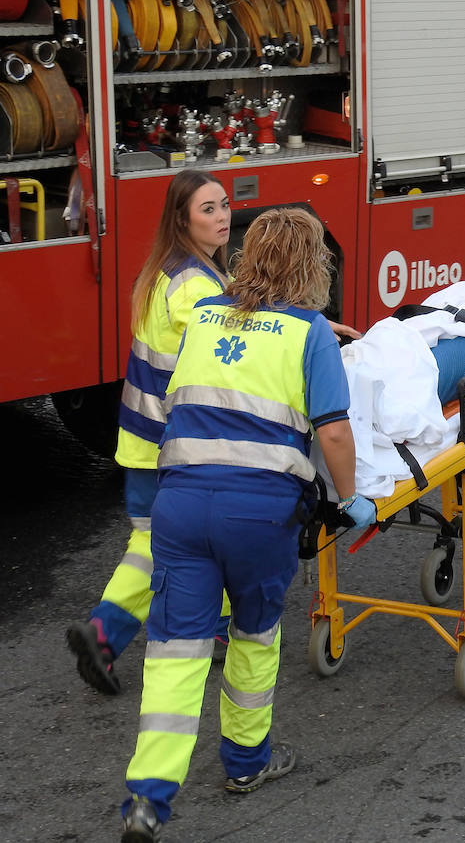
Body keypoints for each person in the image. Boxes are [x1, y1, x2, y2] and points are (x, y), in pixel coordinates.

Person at [119, 207, 376, 842]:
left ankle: (147, 798)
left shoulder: (204, 318)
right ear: (313, 266)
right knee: (254, 636)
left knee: (175, 652)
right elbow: (335, 432)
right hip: (257, 514)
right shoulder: (310, 334)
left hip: (180, 505)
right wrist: (352, 498)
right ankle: (245, 765)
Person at [66, 169, 233, 695]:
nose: (223, 215)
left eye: (225, 204)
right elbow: (224, 345)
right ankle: (106, 631)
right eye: (208, 209)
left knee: (163, 542)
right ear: (182, 220)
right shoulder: (193, 286)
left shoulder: (169, 270)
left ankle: (212, 630)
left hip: (144, 443)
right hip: (171, 447)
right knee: (191, 540)